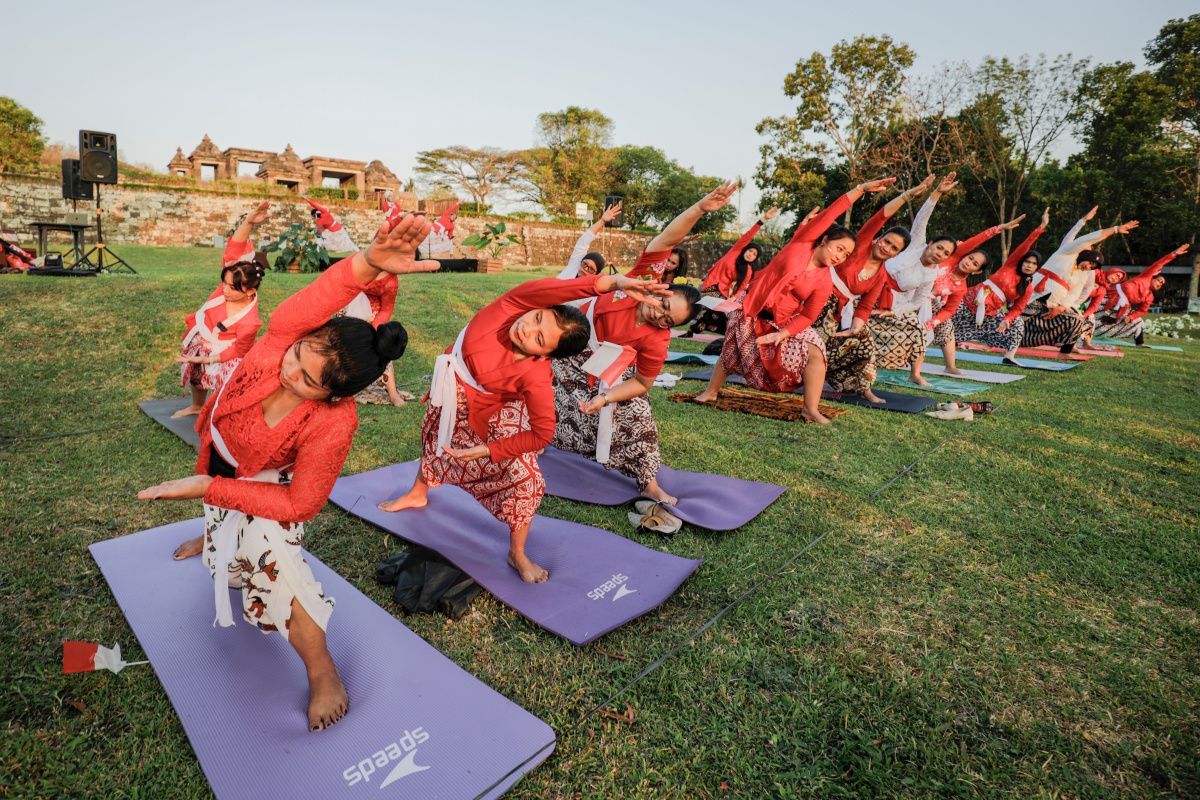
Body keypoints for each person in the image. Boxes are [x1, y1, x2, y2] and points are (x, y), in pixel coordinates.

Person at [138, 207, 436, 733]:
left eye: (307, 381)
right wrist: (368, 260)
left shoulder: (333, 422)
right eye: (297, 356)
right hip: (220, 457)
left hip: (267, 492)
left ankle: (322, 669)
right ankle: (210, 540)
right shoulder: (281, 338)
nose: (289, 371)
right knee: (220, 547)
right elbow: (325, 292)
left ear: (335, 396)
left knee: (276, 571)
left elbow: (301, 503)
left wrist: (214, 488)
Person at [377, 243, 675, 583]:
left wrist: (491, 450)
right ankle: (419, 491)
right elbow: (555, 289)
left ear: (546, 354)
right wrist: (615, 283)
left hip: (493, 409)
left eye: (539, 338)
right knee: (433, 436)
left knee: (527, 481)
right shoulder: (511, 307)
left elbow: (542, 433)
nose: (526, 329)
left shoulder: (535, 376)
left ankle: (516, 552)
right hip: (453, 387)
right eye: (536, 319)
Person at [550, 186, 728, 505]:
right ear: (660, 288)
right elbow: (666, 240)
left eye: (668, 320)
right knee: (538, 390)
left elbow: (644, 382)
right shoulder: (643, 278)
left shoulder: (656, 339)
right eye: (663, 303)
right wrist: (700, 207)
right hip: (567, 343)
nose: (658, 313)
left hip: (604, 367)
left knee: (637, 411)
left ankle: (648, 481)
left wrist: (607, 397)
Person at [693, 178, 896, 423]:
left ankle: (810, 409)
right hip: (751, 309)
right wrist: (860, 190)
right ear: (823, 241)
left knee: (816, 352)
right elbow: (833, 211)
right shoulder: (800, 244)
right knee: (731, 350)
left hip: (782, 322)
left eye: (846, 254)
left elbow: (809, 316)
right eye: (838, 248)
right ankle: (711, 391)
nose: (841, 256)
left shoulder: (823, 281)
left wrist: (785, 333)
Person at [818, 174, 936, 402]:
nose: (887, 248)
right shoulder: (860, 245)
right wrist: (907, 196)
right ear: (878, 238)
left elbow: (865, 307)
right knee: (825, 340)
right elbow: (881, 216)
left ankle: (864, 389)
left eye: (893, 248)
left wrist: (855, 328)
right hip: (818, 297)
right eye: (886, 241)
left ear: (897, 254)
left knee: (865, 341)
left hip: (840, 311)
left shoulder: (881, 275)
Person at [171, 208, 266, 419]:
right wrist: (249, 222)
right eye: (224, 283)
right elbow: (234, 248)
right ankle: (197, 405)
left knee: (227, 382)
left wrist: (207, 360)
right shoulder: (233, 278)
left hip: (227, 350)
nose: (224, 290)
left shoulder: (250, 322)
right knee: (196, 377)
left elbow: (239, 351)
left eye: (232, 288)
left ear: (250, 292)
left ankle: (222, 411)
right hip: (203, 337)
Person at [868, 173, 961, 384]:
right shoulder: (916, 243)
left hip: (894, 302)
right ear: (930, 244)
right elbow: (922, 217)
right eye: (939, 247)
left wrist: (895, 311)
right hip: (870, 289)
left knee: (919, 330)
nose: (940, 253)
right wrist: (937, 193)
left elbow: (918, 301)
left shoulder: (932, 273)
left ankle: (915, 374)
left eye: (946, 253)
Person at [917, 214, 1026, 381]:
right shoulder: (951, 257)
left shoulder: (961, 288)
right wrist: (998, 229)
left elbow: (949, 310)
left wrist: (934, 322)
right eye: (970, 258)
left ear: (977, 272)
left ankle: (950, 366)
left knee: (946, 326)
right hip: (909, 292)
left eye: (974, 264)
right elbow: (977, 240)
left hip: (926, 303)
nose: (969, 263)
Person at [1021, 207, 1139, 353]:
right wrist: (1113, 229)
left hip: (1053, 306)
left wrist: (1061, 308)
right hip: (1033, 298)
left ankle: (1063, 351)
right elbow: (1087, 238)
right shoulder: (1066, 253)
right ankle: (1010, 336)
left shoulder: (1084, 274)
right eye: (1089, 263)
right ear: (1084, 254)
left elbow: (1075, 294)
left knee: (1076, 319)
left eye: (1092, 267)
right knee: (1019, 320)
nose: (1088, 267)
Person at [954, 208, 1049, 363]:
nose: (1029, 265)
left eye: (1033, 264)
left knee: (1017, 322)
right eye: (1027, 261)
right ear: (1021, 261)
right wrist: (1041, 228)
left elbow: (1018, 308)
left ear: (1037, 268)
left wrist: (1007, 319)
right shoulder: (1011, 265)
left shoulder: (1028, 287)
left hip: (990, 313)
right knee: (943, 318)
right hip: (969, 301)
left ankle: (1009, 356)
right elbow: (1026, 245)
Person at [687, 206, 782, 336]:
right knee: (694, 302)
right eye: (750, 251)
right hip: (708, 283)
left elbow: (742, 287)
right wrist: (763, 220)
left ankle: (702, 330)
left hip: (721, 292)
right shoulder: (735, 251)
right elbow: (748, 235)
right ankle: (696, 326)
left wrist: (733, 297)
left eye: (754, 255)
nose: (750, 255)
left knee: (717, 313)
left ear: (755, 259)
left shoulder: (748, 270)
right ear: (745, 249)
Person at [1093, 244, 1188, 344]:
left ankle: (1139, 342)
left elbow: (1143, 310)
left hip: (1122, 308)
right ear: (1153, 277)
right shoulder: (1145, 277)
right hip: (1109, 297)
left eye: (1162, 284)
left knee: (1138, 322)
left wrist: (1131, 317)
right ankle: (1079, 328)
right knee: (1090, 310)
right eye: (1159, 280)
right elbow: (1159, 264)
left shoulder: (1149, 297)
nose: (1160, 283)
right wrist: (1173, 254)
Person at [556, 201, 622, 279]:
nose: (585, 270)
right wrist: (602, 221)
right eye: (585, 264)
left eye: (591, 269)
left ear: (595, 274)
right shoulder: (575, 264)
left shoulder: (592, 287)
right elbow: (584, 240)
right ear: (581, 261)